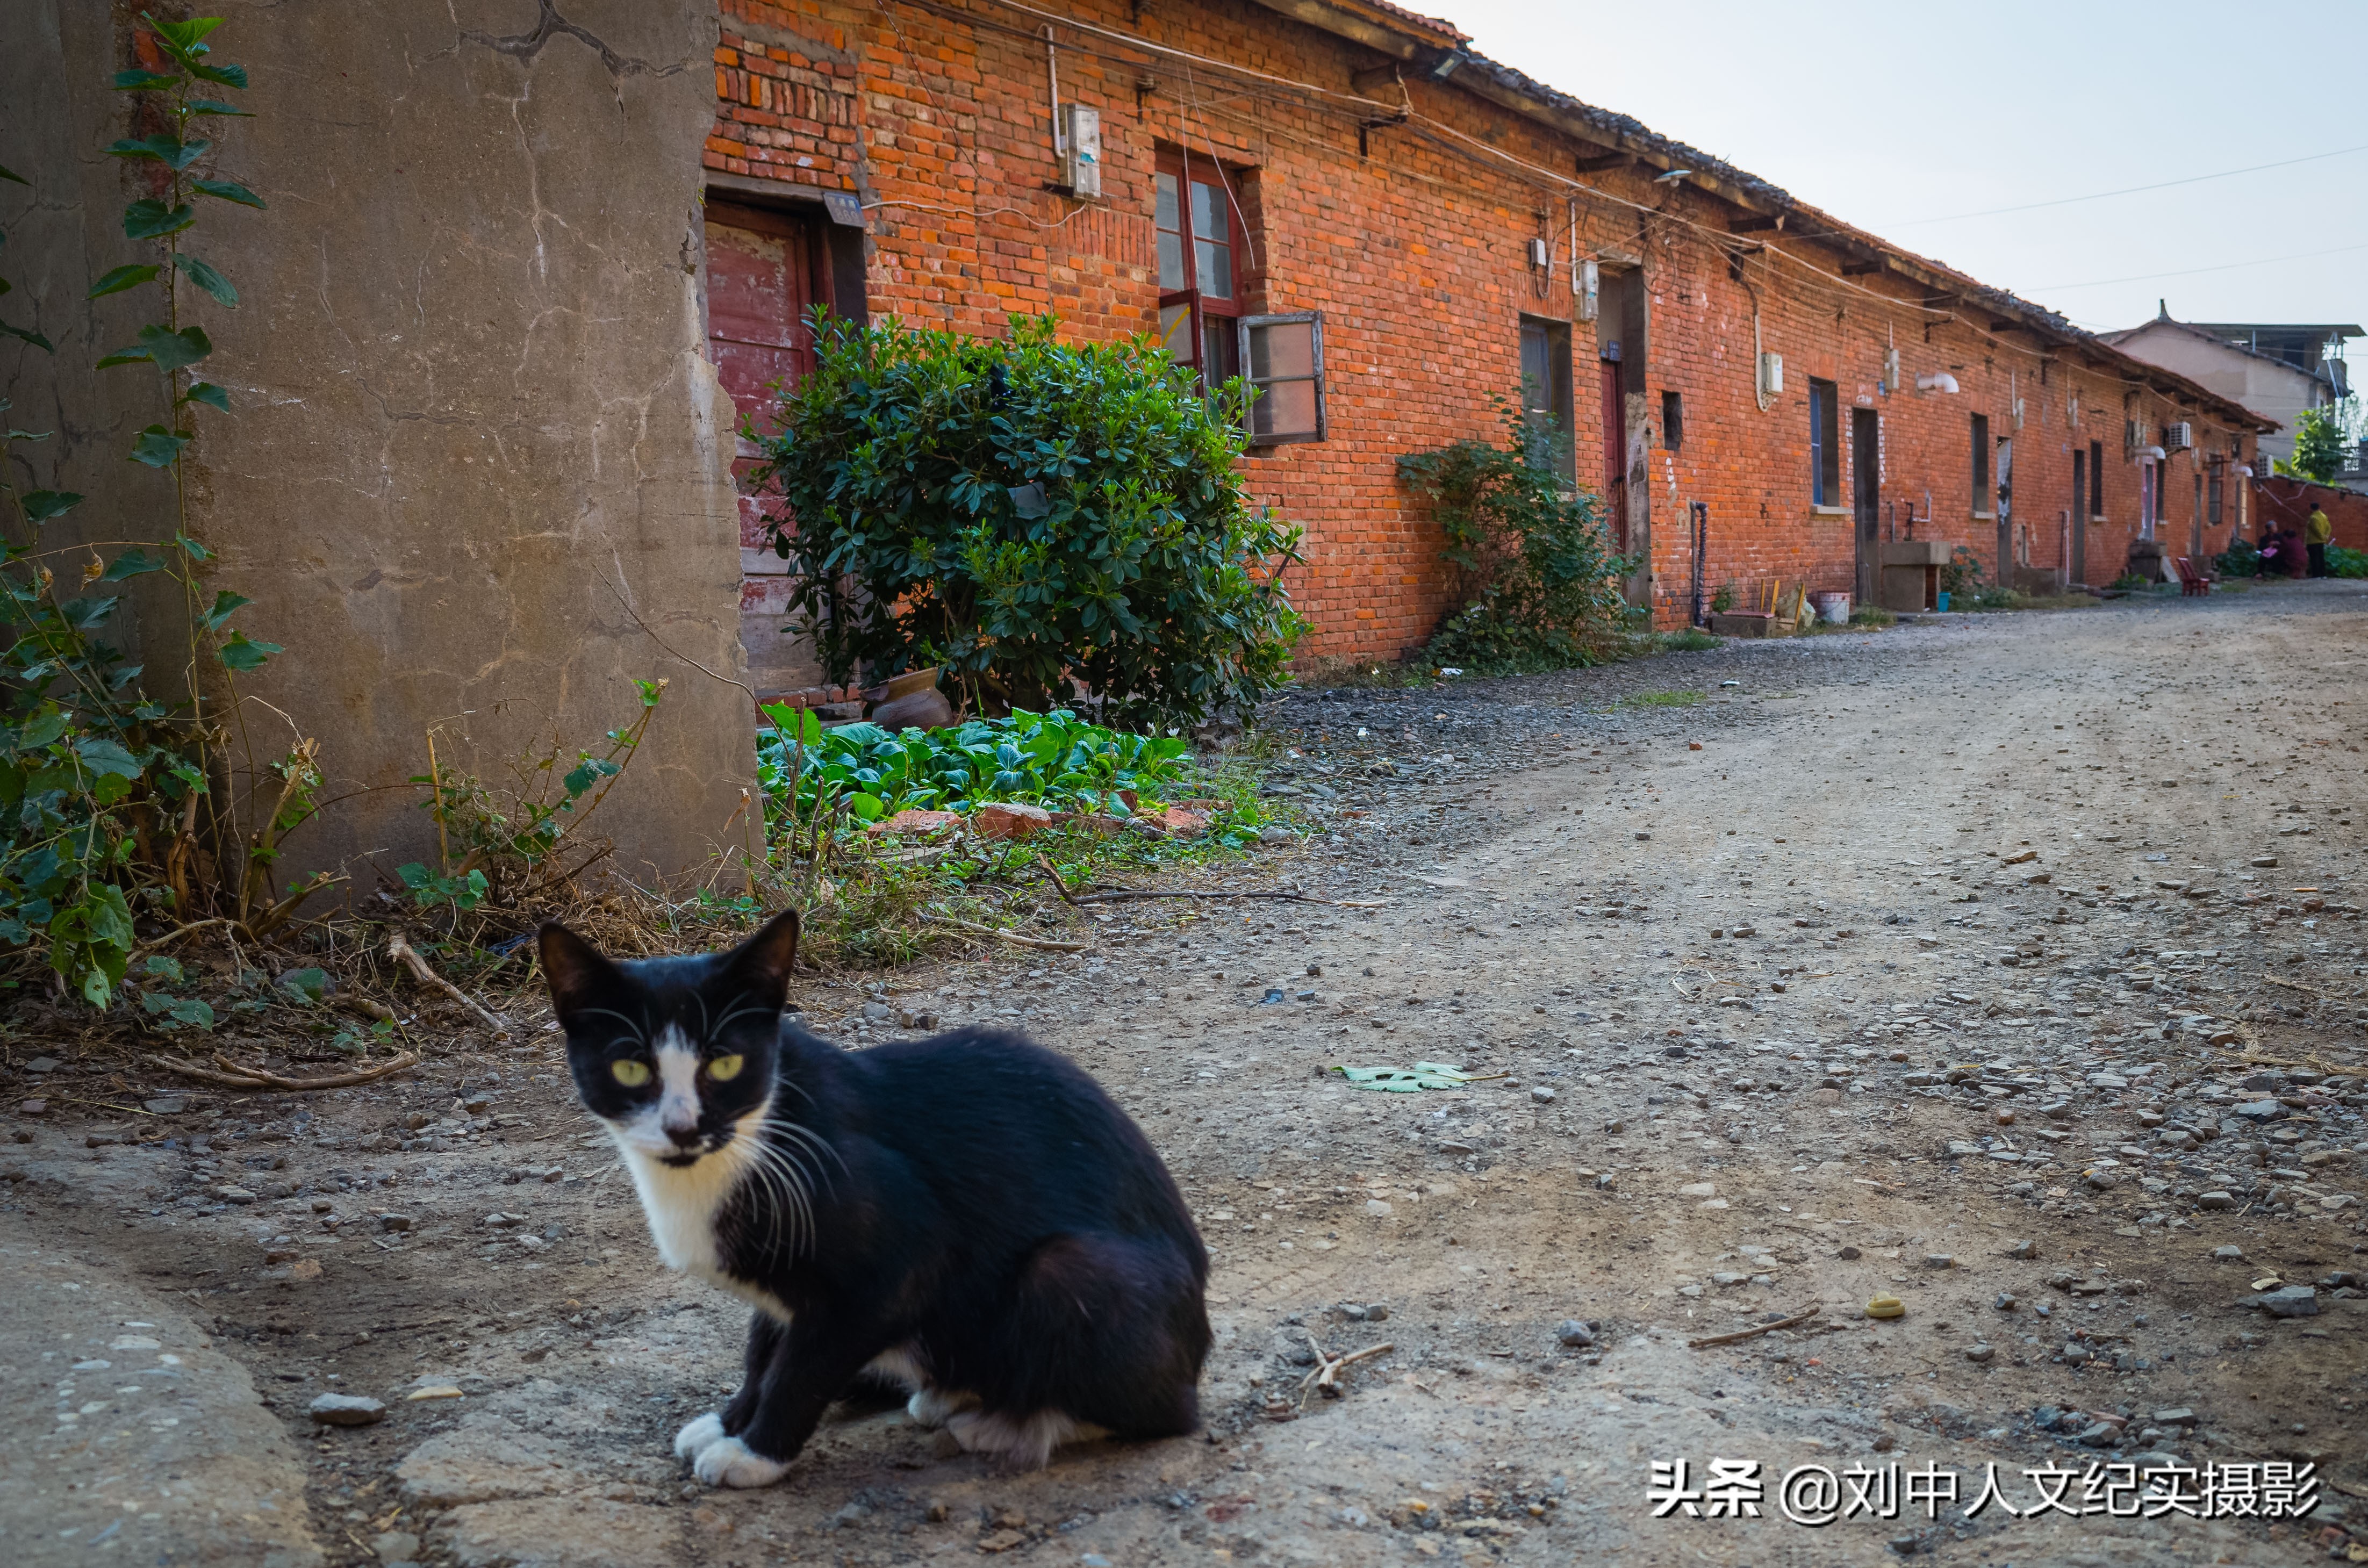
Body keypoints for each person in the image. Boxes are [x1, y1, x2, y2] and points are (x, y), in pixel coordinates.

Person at [2306, 502, 2333, 578]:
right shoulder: (2324, 516)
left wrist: (2322, 537)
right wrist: (2326, 536)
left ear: (2311, 509)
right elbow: (2329, 528)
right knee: (2321, 558)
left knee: (2314, 559)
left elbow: (2317, 531)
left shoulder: (2313, 518)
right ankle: (2323, 575)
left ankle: (2316, 575)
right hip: (2321, 542)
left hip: (2313, 542)